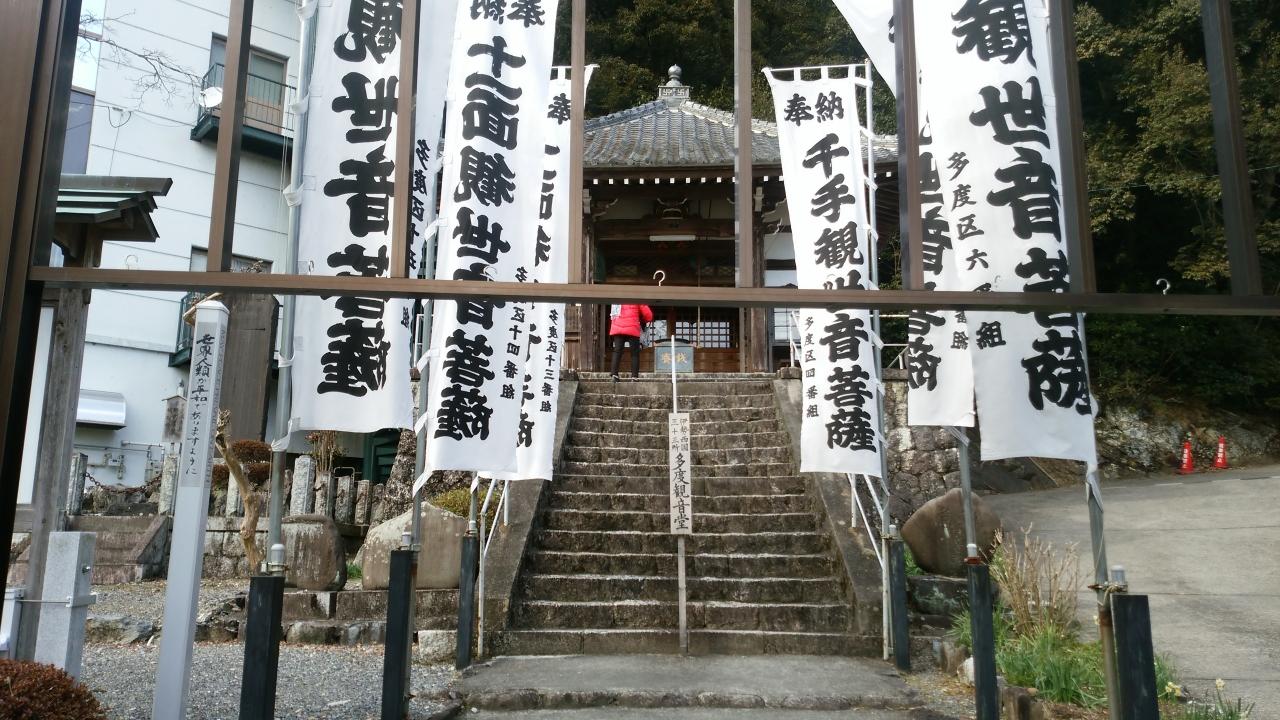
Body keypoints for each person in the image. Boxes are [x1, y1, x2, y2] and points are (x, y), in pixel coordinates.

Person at [608, 303, 654, 382]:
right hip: (632, 327)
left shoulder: (617, 298)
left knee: (617, 351)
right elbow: (648, 315)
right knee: (634, 353)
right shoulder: (636, 298)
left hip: (618, 327)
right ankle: (634, 377)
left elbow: (613, 314)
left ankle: (614, 374)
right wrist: (643, 320)